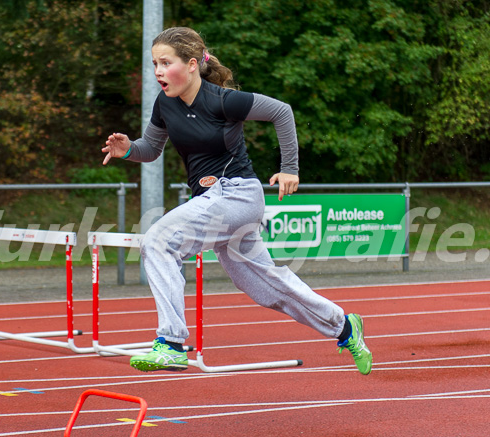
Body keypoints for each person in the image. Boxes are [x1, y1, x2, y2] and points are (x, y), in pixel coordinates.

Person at [101, 26, 372, 375]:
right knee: (264, 288)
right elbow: (151, 148)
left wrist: (290, 168)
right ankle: (345, 326)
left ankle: (170, 343)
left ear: (193, 64)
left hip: (236, 194)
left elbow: (282, 111)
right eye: (154, 64)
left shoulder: (222, 100)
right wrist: (128, 151)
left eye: (165, 63)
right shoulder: (164, 104)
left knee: (159, 240)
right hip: (215, 204)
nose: (157, 72)